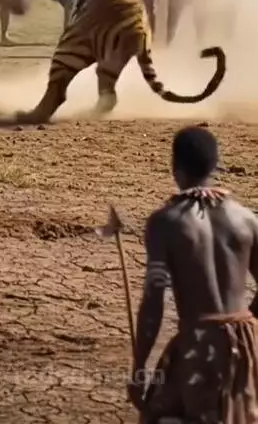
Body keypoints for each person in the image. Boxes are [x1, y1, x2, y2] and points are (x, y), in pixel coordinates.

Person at [128, 125, 258, 423]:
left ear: (175, 167)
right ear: (215, 165)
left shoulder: (166, 222)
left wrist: (139, 367)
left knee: (160, 414)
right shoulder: (246, 219)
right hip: (245, 345)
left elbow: (153, 301)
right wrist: (244, 323)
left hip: (197, 345)